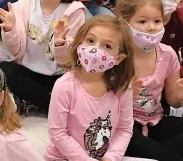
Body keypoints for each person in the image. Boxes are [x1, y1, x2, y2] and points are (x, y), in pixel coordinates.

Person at [116, 0, 183, 160]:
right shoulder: (116, 54)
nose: (151, 27)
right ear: (123, 23)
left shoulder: (168, 54)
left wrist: (180, 95)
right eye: (142, 22)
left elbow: (173, 101)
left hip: (155, 121)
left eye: (157, 21)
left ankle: (152, 151)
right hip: (123, 127)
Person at [0, 0, 85, 112]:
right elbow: (15, 50)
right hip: (28, 70)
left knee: (73, 84)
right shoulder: (25, 2)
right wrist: (10, 30)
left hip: (58, 74)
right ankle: (53, 106)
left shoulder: (75, 11)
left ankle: (36, 102)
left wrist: (60, 44)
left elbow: (68, 61)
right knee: (4, 69)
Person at [45, 16, 135, 161]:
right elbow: (58, 133)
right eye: (91, 41)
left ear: (118, 59)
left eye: (107, 46)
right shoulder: (65, 86)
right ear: (80, 42)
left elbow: (124, 129)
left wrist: (111, 157)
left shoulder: (122, 88)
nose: (95, 50)